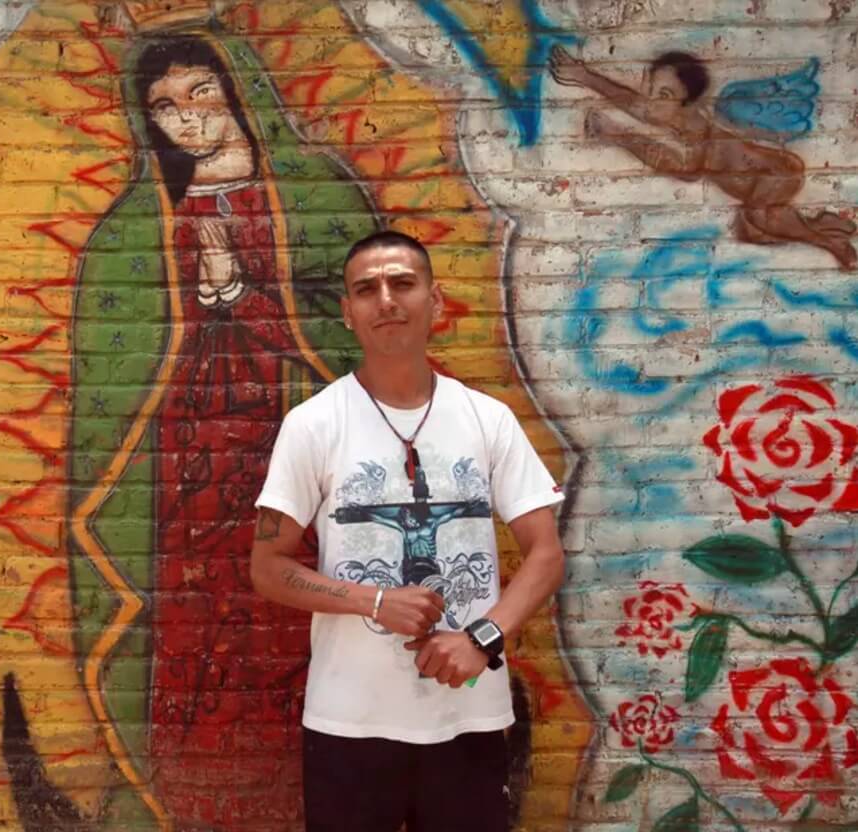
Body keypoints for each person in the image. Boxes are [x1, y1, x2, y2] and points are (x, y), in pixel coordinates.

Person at [65, 34, 379, 830]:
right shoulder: (138, 221)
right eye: (164, 106)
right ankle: (197, 792)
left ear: (238, 90)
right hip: (187, 460)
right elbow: (116, 355)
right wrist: (199, 304)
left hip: (299, 444)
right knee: (201, 620)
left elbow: (359, 330)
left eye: (201, 92)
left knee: (300, 612)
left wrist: (241, 291)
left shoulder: (315, 193)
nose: (187, 118)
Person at [251, 230, 567, 832]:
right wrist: (373, 601)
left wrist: (481, 637)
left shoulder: (487, 419)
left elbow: (546, 554)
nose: (386, 300)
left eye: (402, 283)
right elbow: (268, 567)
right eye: (366, 289)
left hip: (469, 716)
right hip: (349, 722)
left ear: (436, 300)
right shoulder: (314, 425)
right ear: (348, 313)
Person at [548, 47, 857, 270]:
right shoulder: (675, 115)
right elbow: (636, 106)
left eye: (664, 95)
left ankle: (830, 243)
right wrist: (585, 77)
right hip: (765, 180)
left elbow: (686, 170)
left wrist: (617, 135)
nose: (651, 101)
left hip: (776, 175)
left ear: (688, 103)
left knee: (758, 220)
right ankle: (824, 225)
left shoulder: (698, 129)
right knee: (757, 226)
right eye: (650, 88)